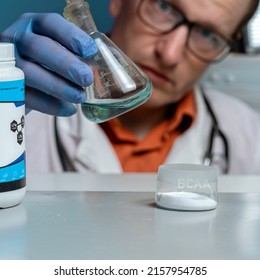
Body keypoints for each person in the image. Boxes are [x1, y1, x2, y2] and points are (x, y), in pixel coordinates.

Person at [1, 0, 260, 174]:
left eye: (208, 34)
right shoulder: (25, 112)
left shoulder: (250, 139)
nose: (170, 54)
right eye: (164, 6)